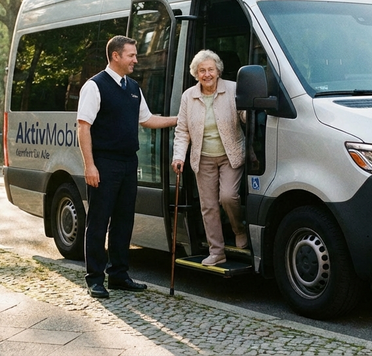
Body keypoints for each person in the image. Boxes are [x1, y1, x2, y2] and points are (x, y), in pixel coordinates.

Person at [77, 35, 177, 299]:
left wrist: (180, 119)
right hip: (104, 163)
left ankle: (118, 275)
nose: (136, 59)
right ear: (115, 56)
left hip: (128, 163)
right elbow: (83, 126)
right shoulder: (95, 86)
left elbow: (147, 119)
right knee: (98, 222)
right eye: (131, 55)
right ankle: (95, 278)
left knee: (123, 220)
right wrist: (90, 166)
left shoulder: (133, 87)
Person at [172, 49, 247, 267]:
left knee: (228, 197)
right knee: (209, 206)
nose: (207, 74)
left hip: (230, 154)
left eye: (210, 70)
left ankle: (238, 229)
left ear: (218, 71)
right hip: (203, 158)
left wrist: (250, 109)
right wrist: (179, 156)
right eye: (202, 70)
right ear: (196, 73)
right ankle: (217, 251)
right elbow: (182, 130)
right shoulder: (189, 96)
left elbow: (245, 116)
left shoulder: (232, 89)